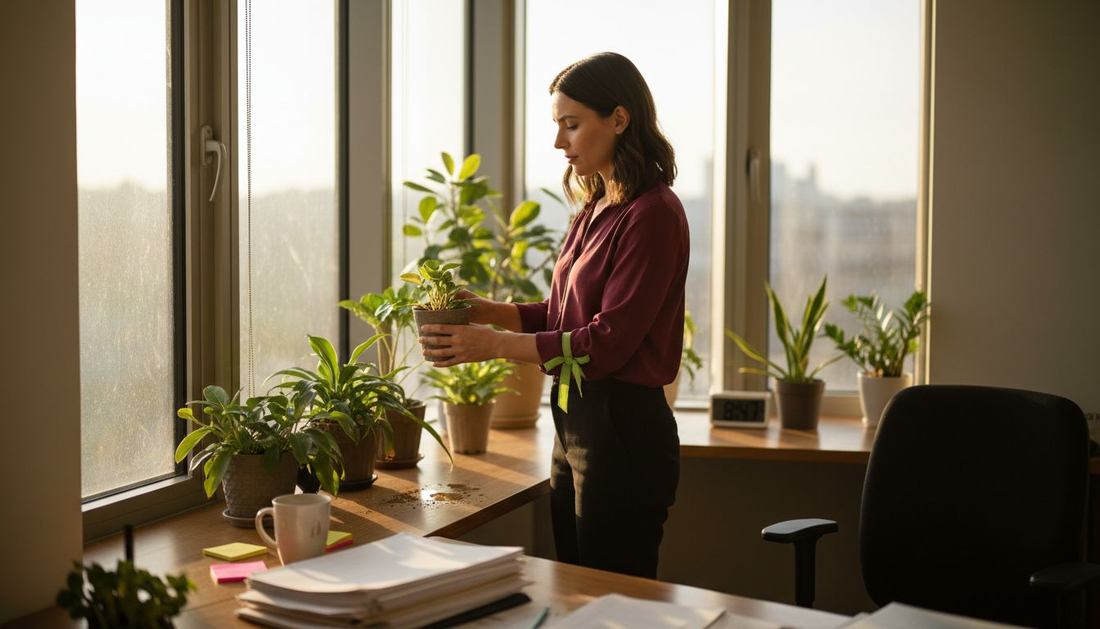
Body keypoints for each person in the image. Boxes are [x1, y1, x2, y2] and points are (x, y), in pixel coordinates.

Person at [417, 52, 688, 579]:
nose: (559, 142)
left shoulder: (653, 215)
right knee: (576, 591)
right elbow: (561, 315)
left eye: (572, 125)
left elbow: (605, 343)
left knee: (613, 606)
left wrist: (491, 345)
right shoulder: (596, 205)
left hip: (623, 430)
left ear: (619, 118)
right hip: (574, 425)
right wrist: (489, 311)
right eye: (557, 126)